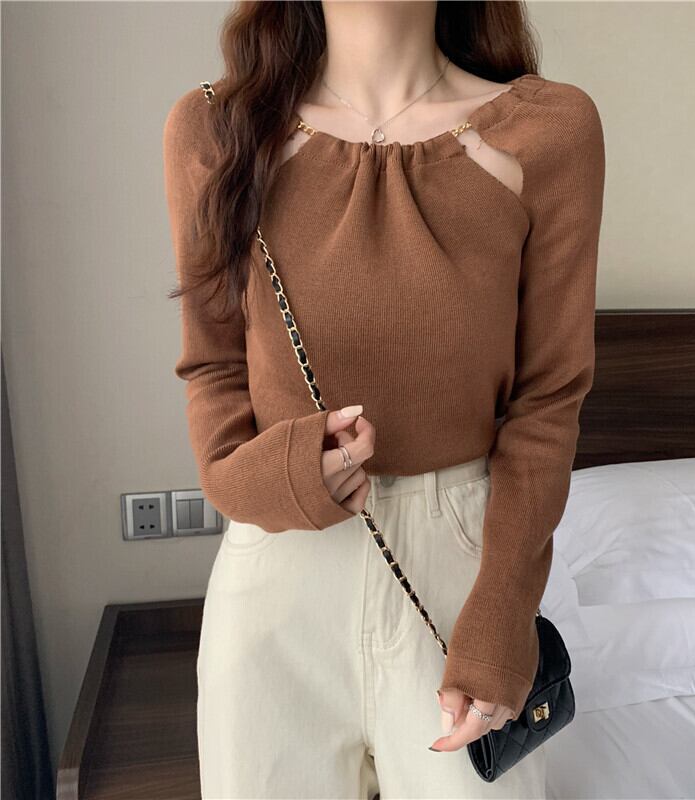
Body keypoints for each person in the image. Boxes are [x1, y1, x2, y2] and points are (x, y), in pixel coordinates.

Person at [163, 1, 605, 797]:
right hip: (275, 582)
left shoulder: (550, 131)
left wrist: (505, 608)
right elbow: (212, 369)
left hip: (465, 567)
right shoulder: (214, 128)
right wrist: (272, 477)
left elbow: (550, 396)